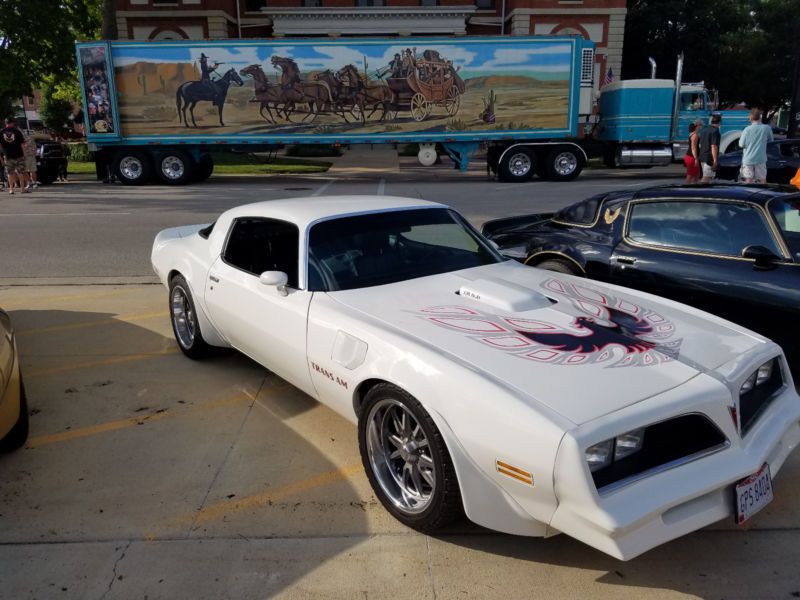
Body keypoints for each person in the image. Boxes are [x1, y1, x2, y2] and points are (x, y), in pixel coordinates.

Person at [738, 108, 773, 183]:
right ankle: (762, 194)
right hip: (761, 158)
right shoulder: (767, 128)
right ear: (760, 117)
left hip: (748, 159)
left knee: (748, 180)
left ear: (750, 118)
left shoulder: (747, 129)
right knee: (762, 179)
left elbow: (741, 144)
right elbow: (771, 141)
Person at [0, 118, 30, 194]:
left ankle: (11, 189)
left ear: (5, 123)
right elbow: (22, 144)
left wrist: (2, 154)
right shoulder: (17, 131)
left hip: (8, 155)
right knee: (20, 172)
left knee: (10, 173)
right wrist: (25, 154)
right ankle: (22, 189)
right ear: (12, 123)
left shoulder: (1, 132)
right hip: (19, 155)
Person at [698, 114, 722, 184]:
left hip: (702, 156)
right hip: (709, 158)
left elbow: (700, 144)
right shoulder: (715, 131)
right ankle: (701, 192)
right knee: (706, 177)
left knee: (706, 177)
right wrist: (715, 160)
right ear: (719, 122)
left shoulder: (704, 130)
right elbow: (713, 146)